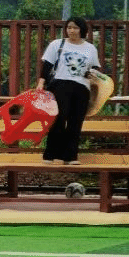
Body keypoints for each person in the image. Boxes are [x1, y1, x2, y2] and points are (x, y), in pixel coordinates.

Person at [36, 17, 100, 165]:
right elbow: (47, 66)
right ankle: (50, 154)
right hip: (60, 84)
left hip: (82, 87)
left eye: (75, 28)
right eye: (69, 27)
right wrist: (41, 83)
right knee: (58, 119)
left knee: (75, 122)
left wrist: (93, 75)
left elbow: (94, 68)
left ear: (82, 30)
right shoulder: (57, 44)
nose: (72, 31)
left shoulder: (90, 48)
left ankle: (70, 156)